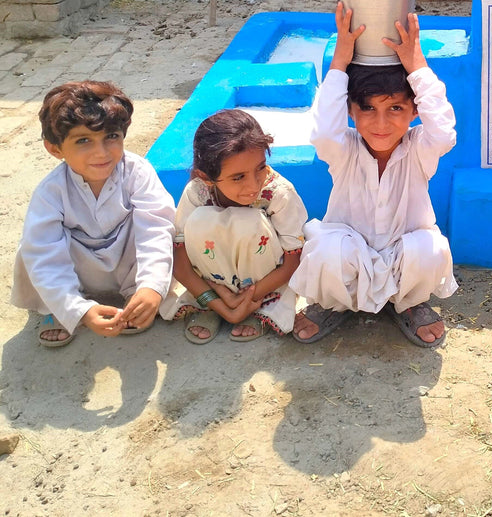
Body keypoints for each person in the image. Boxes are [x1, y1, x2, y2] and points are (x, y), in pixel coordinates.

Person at [290, 6, 457, 348]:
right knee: (325, 248)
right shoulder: (343, 149)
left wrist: (417, 67)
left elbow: (443, 132)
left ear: (414, 111)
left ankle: (409, 303)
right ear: (351, 111)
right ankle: (334, 304)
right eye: (368, 109)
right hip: (352, 254)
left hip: (402, 255)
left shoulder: (420, 148)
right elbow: (323, 131)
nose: (381, 124)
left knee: (430, 248)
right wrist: (339, 62)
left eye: (395, 108)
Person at [11, 81, 175, 347]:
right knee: (31, 247)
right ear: (55, 149)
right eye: (83, 140)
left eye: (111, 136)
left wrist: (152, 286)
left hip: (125, 264)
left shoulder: (137, 171)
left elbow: (155, 229)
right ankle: (59, 307)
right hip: (79, 270)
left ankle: (137, 297)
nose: (101, 152)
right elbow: (44, 253)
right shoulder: (50, 192)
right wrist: (79, 311)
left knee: (165, 228)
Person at [159, 110, 307, 343]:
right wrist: (218, 303)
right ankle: (207, 307)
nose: (254, 184)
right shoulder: (197, 191)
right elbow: (180, 258)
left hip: (264, 283)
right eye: (238, 177)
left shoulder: (278, 193)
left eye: (260, 167)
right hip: (214, 283)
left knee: (249, 224)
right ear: (206, 177)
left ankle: (259, 308)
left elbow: (292, 262)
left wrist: (245, 301)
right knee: (199, 221)